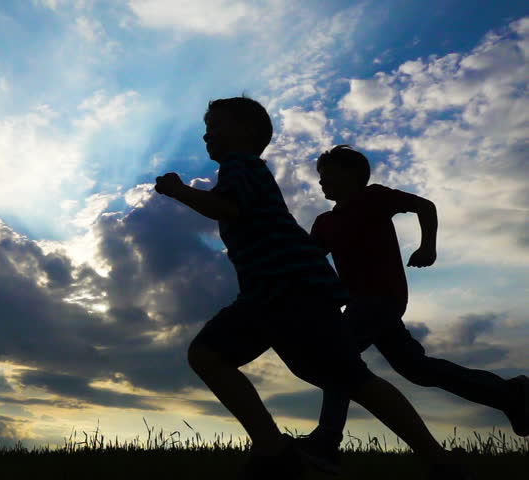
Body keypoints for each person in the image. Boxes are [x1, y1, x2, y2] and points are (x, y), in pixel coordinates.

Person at [154, 95, 473, 479]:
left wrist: (180, 190)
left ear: (246, 132)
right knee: (214, 355)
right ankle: (277, 452)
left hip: (291, 290)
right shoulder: (247, 171)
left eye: (216, 125)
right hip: (270, 293)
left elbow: (229, 208)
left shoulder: (241, 167)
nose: (207, 134)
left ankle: (438, 461)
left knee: (345, 376)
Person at [290, 144, 529, 475]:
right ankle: (509, 394)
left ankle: (326, 441)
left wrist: (427, 246)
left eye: (326, 174)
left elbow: (424, 206)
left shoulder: (373, 198)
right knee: (417, 368)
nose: (321, 182)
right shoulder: (324, 222)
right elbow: (311, 262)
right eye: (319, 176)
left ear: (350, 174)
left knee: (337, 358)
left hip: (382, 298)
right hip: (360, 304)